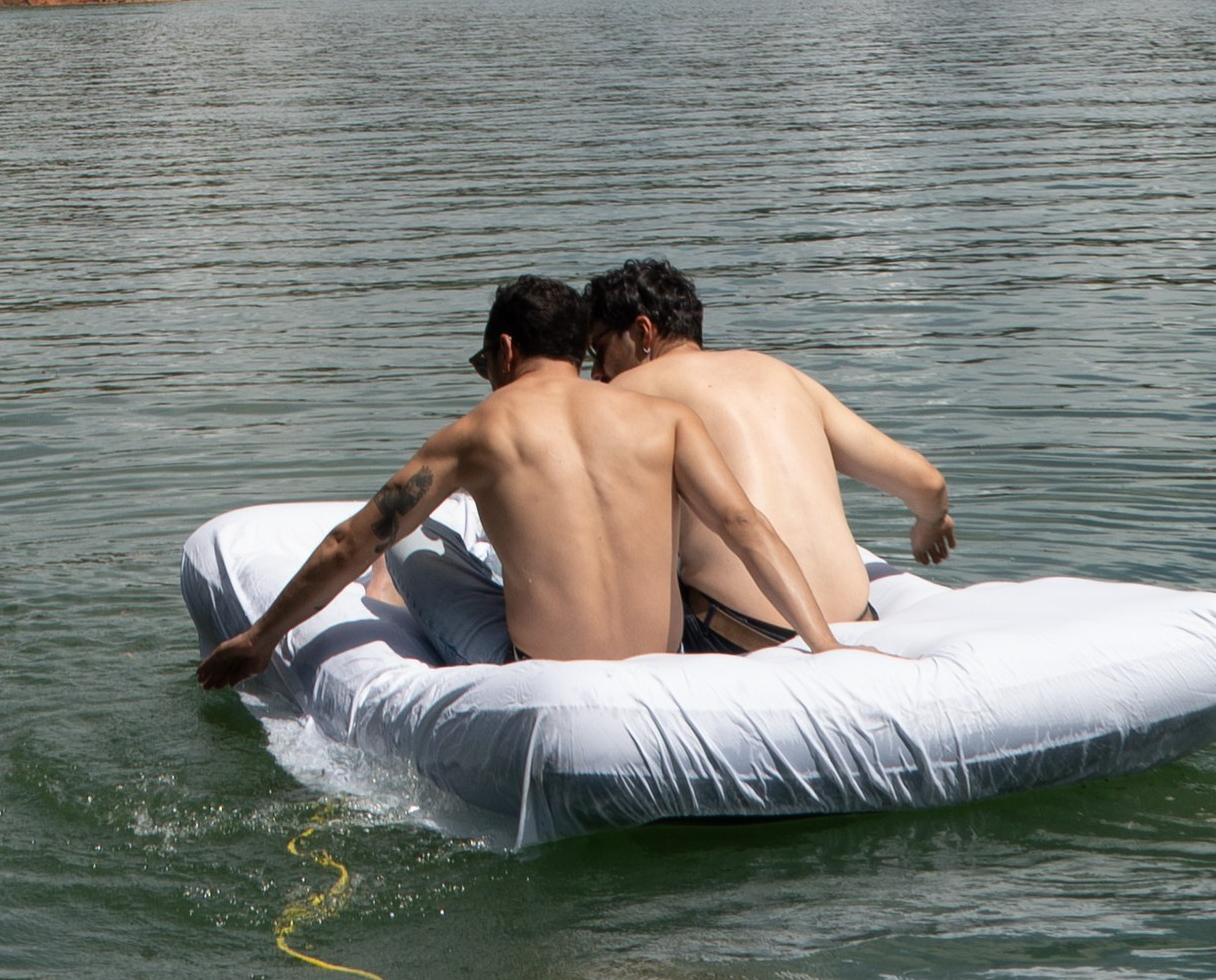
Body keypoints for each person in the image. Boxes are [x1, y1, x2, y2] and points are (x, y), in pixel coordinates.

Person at [194, 273, 857, 685]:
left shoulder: (479, 431)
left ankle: (394, 609)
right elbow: (745, 527)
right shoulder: (666, 419)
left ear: (506, 350)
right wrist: (826, 647)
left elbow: (347, 543)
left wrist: (261, 639)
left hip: (537, 673)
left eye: (485, 359)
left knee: (406, 542)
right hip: (666, 663)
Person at [585, 257, 953, 655]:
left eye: (600, 348)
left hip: (740, 635)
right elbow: (927, 483)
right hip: (859, 621)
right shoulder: (783, 375)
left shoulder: (626, 391)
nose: (597, 373)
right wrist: (930, 525)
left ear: (643, 332)